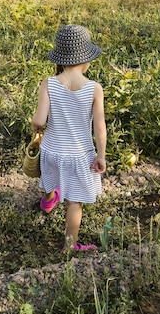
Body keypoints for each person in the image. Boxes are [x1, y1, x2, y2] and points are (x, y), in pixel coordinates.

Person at [31, 24, 107, 252]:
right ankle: (69, 246)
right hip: (79, 155)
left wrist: (35, 129)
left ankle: (48, 200)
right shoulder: (94, 88)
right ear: (87, 60)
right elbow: (100, 127)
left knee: (51, 175)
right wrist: (101, 155)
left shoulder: (49, 83)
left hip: (52, 151)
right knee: (75, 203)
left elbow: (39, 121)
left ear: (60, 58)